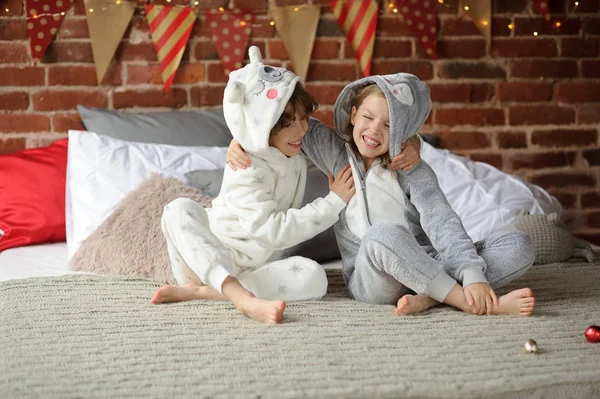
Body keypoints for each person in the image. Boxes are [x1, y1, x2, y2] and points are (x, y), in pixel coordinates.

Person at [227, 73, 537, 317]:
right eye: (368, 118)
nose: (375, 131)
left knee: (519, 245)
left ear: (403, 131)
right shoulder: (332, 150)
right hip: (371, 278)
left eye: (390, 125)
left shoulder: (410, 167)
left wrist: (473, 274)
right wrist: (242, 139)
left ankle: (430, 296)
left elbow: (441, 219)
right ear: (352, 114)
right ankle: (465, 301)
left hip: (425, 261)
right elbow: (281, 123)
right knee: (383, 235)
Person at [150, 46, 357, 324]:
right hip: (208, 259)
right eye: (288, 123)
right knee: (178, 209)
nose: (301, 130)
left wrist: (412, 145)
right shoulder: (245, 168)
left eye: (303, 118)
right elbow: (271, 231)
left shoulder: (290, 147)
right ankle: (237, 296)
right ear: (261, 128)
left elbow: (346, 147)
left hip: (256, 269)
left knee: (315, 278)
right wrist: (333, 203)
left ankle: (204, 293)